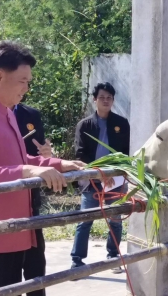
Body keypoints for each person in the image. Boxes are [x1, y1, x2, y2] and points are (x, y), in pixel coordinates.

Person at [0, 40, 85, 296]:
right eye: (23, 81)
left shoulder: (6, 112)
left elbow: (20, 159)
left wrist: (59, 164)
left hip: (11, 234)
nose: (26, 88)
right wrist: (26, 171)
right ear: (0, 76)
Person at [70, 82, 130, 274]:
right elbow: (80, 154)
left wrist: (115, 173)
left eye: (109, 98)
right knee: (85, 220)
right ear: (94, 99)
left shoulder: (121, 123)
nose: (106, 101)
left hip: (116, 180)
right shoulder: (85, 125)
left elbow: (125, 153)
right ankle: (77, 260)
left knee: (115, 219)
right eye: (102, 97)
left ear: (113, 100)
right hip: (91, 181)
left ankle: (113, 256)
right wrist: (100, 174)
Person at [13, 101, 52, 296]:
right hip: (5, 199)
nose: (24, 87)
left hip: (30, 198)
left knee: (36, 264)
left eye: (27, 82)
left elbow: (40, 150)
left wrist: (47, 155)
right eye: (21, 80)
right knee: (8, 270)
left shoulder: (31, 114)